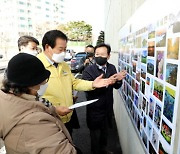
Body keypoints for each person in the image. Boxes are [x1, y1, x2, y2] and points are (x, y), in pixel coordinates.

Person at [37, 30, 112, 136]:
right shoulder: (36, 65)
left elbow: (74, 82)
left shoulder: (63, 65)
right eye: (60, 49)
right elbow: (30, 97)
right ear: (48, 47)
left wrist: (92, 84)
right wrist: (53, 109)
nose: (63, 53)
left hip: (67, 117)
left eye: (65, 49)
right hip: (49, 120)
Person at [0, 53, 78, 153]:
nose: (45, 83)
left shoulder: (8, 97)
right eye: (43, 81)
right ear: (29, 85)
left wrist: (53, 109)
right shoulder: (34, 122)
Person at [82, 43, 127, 154]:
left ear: (108, 56)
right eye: (97, 54)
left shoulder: (111, 67)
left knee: (105, 133)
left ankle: (104, 149)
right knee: (95, 136)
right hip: (95, 109)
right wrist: (108, 81)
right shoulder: (88, 70)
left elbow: (117, 86)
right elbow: (88, 90)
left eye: (102, 54)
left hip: (107, 107)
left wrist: (119, 80)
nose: (99, 56)